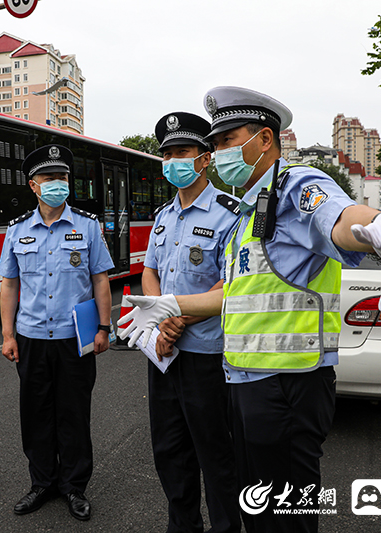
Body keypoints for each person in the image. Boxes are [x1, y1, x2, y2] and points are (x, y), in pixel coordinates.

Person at [118, 86, 381, 533]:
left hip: (290, 385)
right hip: (247, 381)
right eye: (213, 144)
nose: (217, 154)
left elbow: (338, 217)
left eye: (226, 141)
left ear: (265, 140)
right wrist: (167, 306)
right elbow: (236, 294)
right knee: (258, 513)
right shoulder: (247, 215)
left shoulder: (294, 185)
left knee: (285, 519)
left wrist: (377, 225)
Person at [0, 144, 114, 522]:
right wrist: (8, 335)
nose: (57, 184)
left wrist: (103, 327)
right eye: (49, 178)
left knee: (74, 414)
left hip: (75, 337)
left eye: (62, 177)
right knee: (36, 414)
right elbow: (10, 286)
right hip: (31, 337)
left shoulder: (87, 225)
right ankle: (42, 483)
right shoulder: (17, 230)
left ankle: (74, 487)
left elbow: (100, 280)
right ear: (33, 185)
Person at [143, 112, 243, 533]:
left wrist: (176, 317)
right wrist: (157, 320)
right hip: (163, 354)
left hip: (207, 355)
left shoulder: (230, 212)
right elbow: (150, 270)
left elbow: (233, 280)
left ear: (204, 159)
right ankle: (182, 527)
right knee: (169, 451)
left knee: (216, 454)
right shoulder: (164, 215)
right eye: (166, 154)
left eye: (180, 152)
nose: (171, 162)